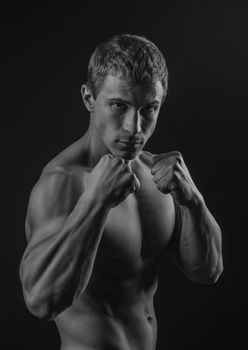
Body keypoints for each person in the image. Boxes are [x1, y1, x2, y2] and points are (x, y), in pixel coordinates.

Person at [19, 34, 223, 350]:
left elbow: (207, 271)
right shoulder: (61, 183)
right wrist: (95, 202)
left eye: (148, 109)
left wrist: (193, 201)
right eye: (119, 105)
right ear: (89, 98)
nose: (134, 128)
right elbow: (41, 302)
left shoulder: (158, 173)